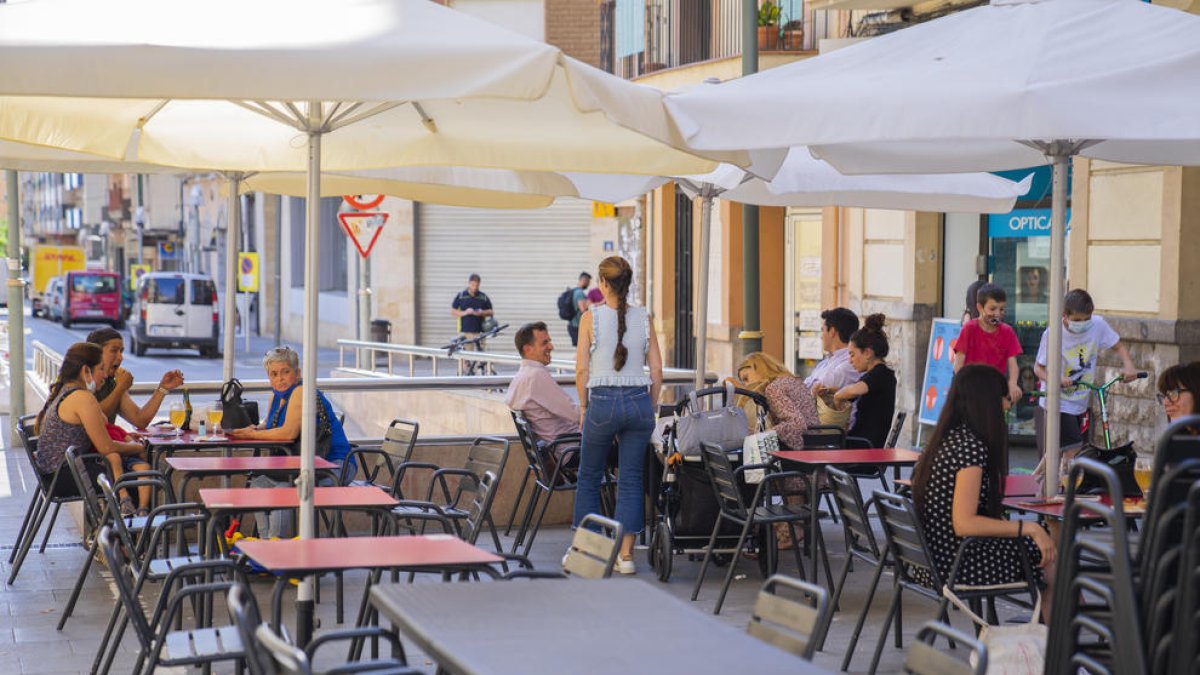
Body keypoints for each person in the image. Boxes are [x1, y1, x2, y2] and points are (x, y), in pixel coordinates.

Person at [910, 364, 1055, 619]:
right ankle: (1060, 641)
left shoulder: (944, 440)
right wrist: (1030, 528)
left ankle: (1058, 635)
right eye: (1003, 399)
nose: (1008, 407)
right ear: (986, 402)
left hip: (929, 560)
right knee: (1050, 555)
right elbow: (965, 523)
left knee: (1043, 550)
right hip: (958, 563)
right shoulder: (971, 449)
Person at [574, 255, 663, 575]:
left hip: (602, 402)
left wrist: (584, 407)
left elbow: (582, 368)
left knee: (589, 476)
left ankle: (589, 550)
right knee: (631, 480)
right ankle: (626, 557)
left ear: (603, 283)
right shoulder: (644, 317)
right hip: (639, 401)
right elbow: (656, 368)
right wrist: (649, 406)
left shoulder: (591, 318)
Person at [228, 346, 353, 538]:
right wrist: (249, 429)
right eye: (274, 374)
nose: (280, 379)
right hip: (303, 465)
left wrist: (249, 436)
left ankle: (277, 546)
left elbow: (287, 433)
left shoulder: (301, 391)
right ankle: (267, 542)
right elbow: (268, 426)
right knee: (259, 484)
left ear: (298, 373)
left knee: (282, 489)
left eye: (286, 372)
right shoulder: (276, 397)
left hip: (334, 465)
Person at [35, 343, 152, 515]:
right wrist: (138, 447)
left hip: (53, 475)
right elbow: (106, 447)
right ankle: (130, 534)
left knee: (127, 471)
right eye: (101, 369)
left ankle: (115, 535)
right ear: (85, 371)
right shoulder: (82, 398)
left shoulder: (66, 391)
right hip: (65, 477)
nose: (105, 375)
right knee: (134, 478)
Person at [1033, 289, 1137, 455]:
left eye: (1086, 319)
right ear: (1064, 316)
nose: (1082, 324)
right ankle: (1062, 478)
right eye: (1077, 320)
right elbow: (1038, 368)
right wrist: (1056, 379)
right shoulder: (1053, 334)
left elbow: (1118, 345)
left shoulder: (1098, 325)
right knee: (1074, 452)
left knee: (1069, 455)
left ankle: (1050, 476)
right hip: (1058, 402)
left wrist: (1128, 365)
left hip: (1080, 402)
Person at [86, 327, 184, 427]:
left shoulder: (112, 383)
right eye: (114, 351)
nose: (120, 357)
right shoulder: (80, 381)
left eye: (121, 351)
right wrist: (120, 388)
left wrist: (163, 388)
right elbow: (94, 419)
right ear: (96, 353)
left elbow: (140, 420)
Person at [506, 321, 580, 442]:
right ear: (527, 349)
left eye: (549, 341)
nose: (551, 346)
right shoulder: (536, 375)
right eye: (545, 343)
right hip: (571, 448)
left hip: (563, 447)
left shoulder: (522, 375)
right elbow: (576, 414)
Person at [953, 283, 1024, 404]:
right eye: (992, 309)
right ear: (980, 308)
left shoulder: (1008, 332)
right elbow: (958, 366)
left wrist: (1012, 383)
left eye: (1001, 309)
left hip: (994, 390)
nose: (997, 313)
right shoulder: (969, 328)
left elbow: (1013, 364)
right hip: (970, 390)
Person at [833, 314, 897, 448]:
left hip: (863, 449)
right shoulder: (871, 375)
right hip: (858, 443)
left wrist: (837, 396)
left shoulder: (881, 374)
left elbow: (853, 390)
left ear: (867, 353)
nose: (850, 360)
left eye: (852, 354)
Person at [738, 352, 819, 451]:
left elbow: (796, 423)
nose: (746, 385)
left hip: (801, 452)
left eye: (746, 378)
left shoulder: (773, 389)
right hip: (816, 443)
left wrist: (764, 434)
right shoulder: (791, 380)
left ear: (760, 369)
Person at [804, 307, 862, 427]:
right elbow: (806, 388)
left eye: (823, 330)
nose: (821, 336)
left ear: (832, 332)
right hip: (818, 426)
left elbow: (818, 389)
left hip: (832, 434)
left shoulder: (849, 365)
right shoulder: (826, 362)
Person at [450, 273, 493, 351]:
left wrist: (481, 312)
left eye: (477, 285)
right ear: (469, 283)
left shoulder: (483, 297)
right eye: (473, 285)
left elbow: (491, 312)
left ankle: (479, 363)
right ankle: (466, 363)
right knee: (466, 357)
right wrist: (465, 312)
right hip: (465, 331)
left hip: (480, 332)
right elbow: (453, 312)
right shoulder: (461, 296)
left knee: (481, 357)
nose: (475, 288)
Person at [566, 272, 591, 347]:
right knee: (581, 349)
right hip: (577, 326)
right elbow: (583, 309)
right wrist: (591, 302)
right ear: (584, 280)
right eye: (588, 282)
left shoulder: (574, 291)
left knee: (580, 349)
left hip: (572, 325)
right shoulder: (580, 293)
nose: (588, 284)